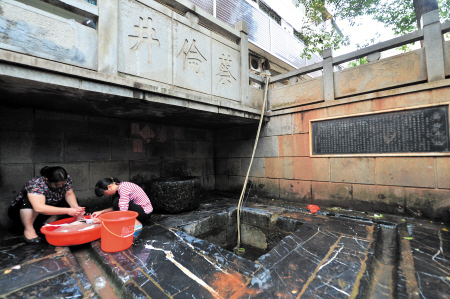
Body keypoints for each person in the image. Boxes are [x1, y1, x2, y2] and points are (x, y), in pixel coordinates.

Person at [8, 166, 85, 244]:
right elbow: (39, 208)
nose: (61, 186)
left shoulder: (66, 179)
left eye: (63, 183)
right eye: (57, 184)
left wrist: (76, 208)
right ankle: (28, 229)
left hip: (46, 210)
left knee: (73, 203)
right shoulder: (36, 184)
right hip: (22, 211)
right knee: (30, 201)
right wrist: (68, 211)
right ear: (47, 180)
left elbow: (69, 194)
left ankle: (48, 222)